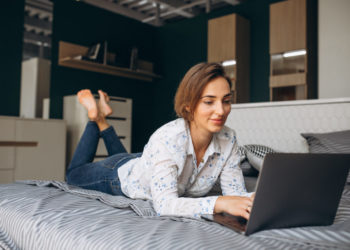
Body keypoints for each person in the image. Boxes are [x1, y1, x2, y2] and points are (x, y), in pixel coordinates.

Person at [66, 62, 254, 219]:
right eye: (209, 101)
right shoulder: (168, 139)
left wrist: (258, 200)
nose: (221, 111)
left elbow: (235, 194)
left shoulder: (228, 139)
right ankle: (94, 119)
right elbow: (165, 205)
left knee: (127, 157)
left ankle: (102, 119)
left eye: (226, 100)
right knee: (73, 175)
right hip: (119, 176)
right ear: (188, 105)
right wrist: (219, 203)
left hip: (146, 162)